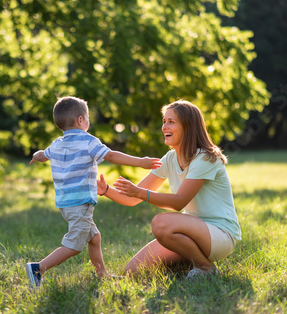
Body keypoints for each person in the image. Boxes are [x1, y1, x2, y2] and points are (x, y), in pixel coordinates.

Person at [26, 96, 162, 289]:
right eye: (88, 118)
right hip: (80, 203)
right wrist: (140, 162)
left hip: (66, 204)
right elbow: (112, 156)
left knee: (94, 238)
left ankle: (102, 275)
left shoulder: (57, 143)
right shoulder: (88, 141)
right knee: (73, 246)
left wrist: (35, 156)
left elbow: (42, 155)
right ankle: (37, 268)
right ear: (81, 120)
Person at [97, 99, 241, 279]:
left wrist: (141, 193)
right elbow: (132, 199)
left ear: (188, 127)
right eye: (164, 121)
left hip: (220, 234)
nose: (165, 126)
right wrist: (105, 190)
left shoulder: (205, 158)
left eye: (171, 122)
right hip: (190, 233)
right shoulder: (170, 159)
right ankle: (188, 263)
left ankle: (205, 267)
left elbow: (179, 202)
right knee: (132, 272)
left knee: (161, 223)